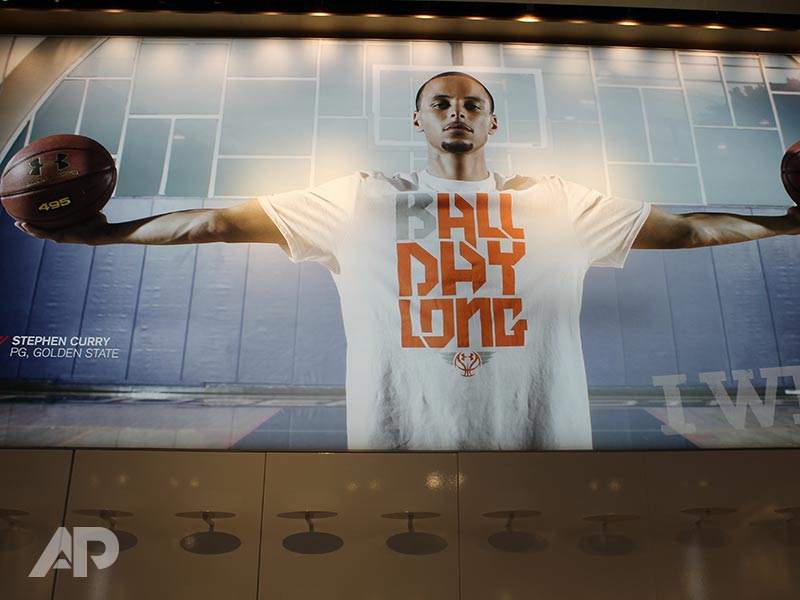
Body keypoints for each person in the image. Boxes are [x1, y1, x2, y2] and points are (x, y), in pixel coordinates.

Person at [16, 71, 800, 450]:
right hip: (397, 449)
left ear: (493, 123)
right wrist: (102, 235)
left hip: (546, 451)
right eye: (441, 103)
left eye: (473, 104)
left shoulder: (558, 201)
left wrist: (792, 226)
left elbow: (691, 231)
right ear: (418, 120)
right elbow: (213, 222)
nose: (457, 112)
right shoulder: (358, 199)